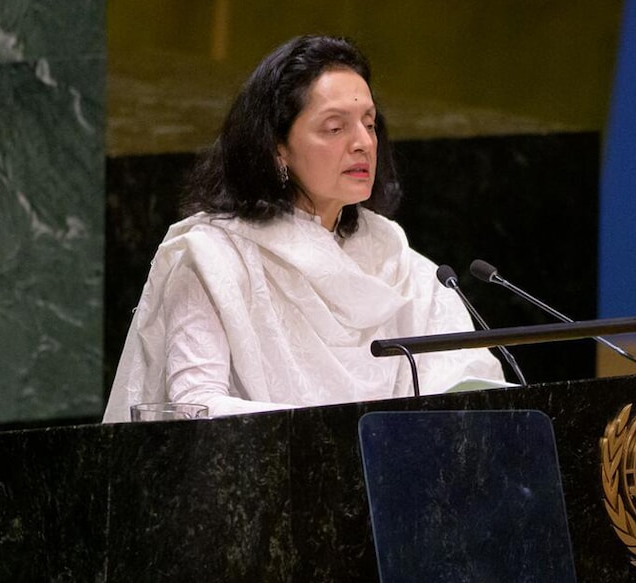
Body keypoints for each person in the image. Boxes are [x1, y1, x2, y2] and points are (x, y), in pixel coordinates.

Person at [103, 35, 505, 422]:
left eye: (369, 123)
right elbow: (195, 407)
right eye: (335, 128)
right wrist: (346, 432)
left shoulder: (400, 262)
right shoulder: (213, 258)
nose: (363, 142)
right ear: (278, 148)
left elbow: (469, 381)